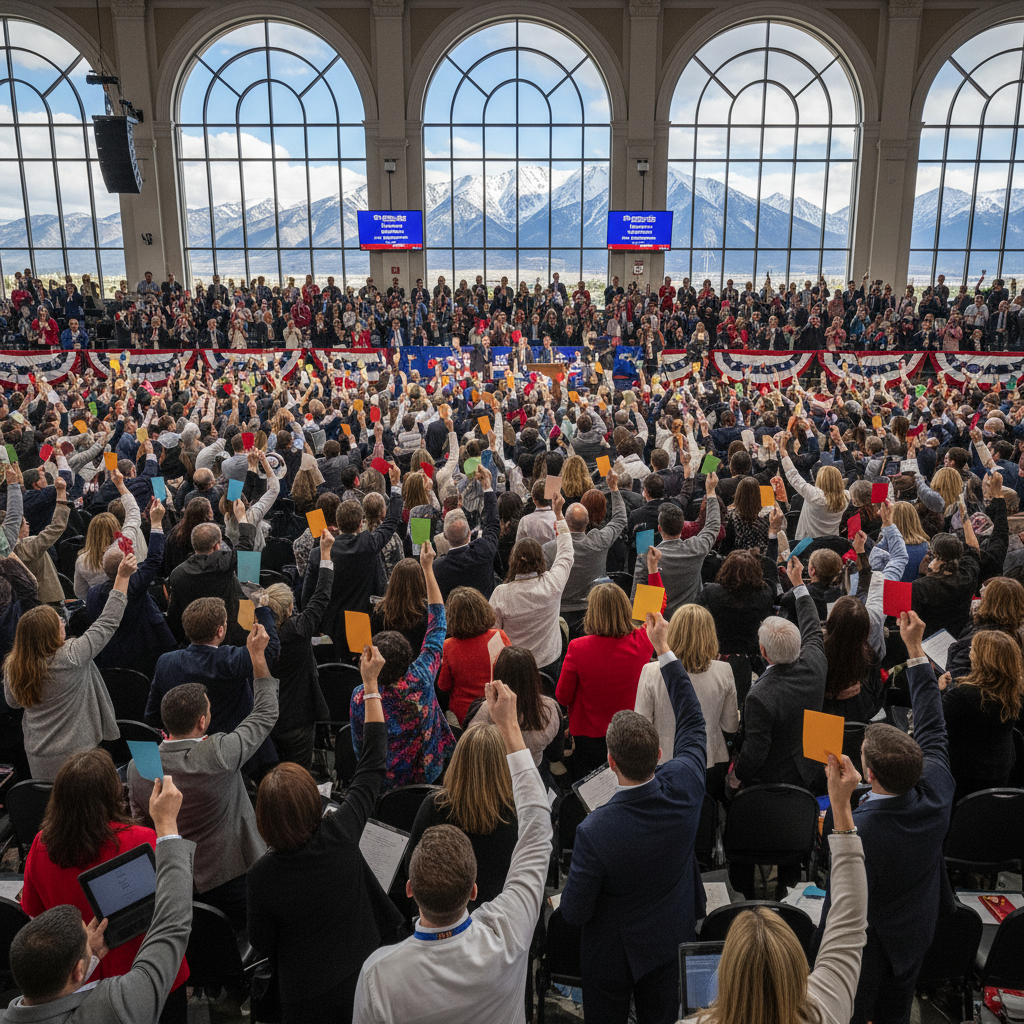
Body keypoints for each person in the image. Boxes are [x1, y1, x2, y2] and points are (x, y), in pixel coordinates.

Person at [352, 678, 551, 1024]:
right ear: (473, 891)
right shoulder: (510, 933)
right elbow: (538, 826)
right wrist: (511, 726)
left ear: (411, 887)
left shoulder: (377, 977)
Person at [559, 611, 707, 1024]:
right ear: (660, 755)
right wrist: (664, 650)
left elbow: (573, 912)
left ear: (610, 762)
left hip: (613, 954)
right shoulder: (686, 783)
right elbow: (693, 720)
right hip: (670, 934)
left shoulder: (594, 831)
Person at [811, 610, 956, 1024]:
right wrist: (913, 651)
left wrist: (840, 807)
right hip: (915, 933)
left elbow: (840, 883)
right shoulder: (938, 789)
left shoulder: (860, 830)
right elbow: (932, 723)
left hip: (866, 951)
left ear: (868, 775)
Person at [246, 645, 403, 1024]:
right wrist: (369, 685)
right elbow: (373, 763)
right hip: (362, 968)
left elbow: (264, 944)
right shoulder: (340, 830)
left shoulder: (262, 875)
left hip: (305, 991)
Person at [684, 754, 867, 1024]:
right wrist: (841, 804)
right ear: (798, 968)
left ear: (725, 976)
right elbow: (850, 920)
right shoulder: (827, 1008)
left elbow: (849, 921)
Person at [3, 775, 192, 1024]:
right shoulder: (114, 1005)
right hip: (145, 969)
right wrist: (167, 825)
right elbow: (171, 921)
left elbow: (35, 911)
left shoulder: (41, 843)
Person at [129, 623, 278, 928]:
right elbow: (264, 713)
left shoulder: (137, 765)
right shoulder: (218, 754)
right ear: (201, 722)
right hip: (230, 873)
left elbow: (140, 821)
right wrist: (258, 657)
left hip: (170, 878)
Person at [3, 552, 136, 781]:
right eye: (60, 623)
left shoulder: (13, 666)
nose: (64, 624)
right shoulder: (71, 655)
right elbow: (108, 621)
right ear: (52, 633)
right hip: (80, 756)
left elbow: (12, 702)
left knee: (55, 811)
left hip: (38, 755)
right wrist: (122, 577)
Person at [350, 542, 453, 793]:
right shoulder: (422, 677)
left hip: (384, 779)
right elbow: (438, 623)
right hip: (427, 770)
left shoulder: (361, 697)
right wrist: (427, 568)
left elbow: (360, 746)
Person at [145, 596, 280, 765]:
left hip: (184, 755)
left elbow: (152, 716)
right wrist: (261, 608)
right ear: (220, 631)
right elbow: (270, 648)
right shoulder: (230, 660)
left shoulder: (165, 662)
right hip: (234, 754)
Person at [405, 723, 519, 908]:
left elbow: (411, 868)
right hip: (502, 917)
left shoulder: (434, 806)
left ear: (458, 760)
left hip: (444, 914)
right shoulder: (517, 814)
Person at [556, 582, 654, 777]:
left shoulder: (578, 647)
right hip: (629, 732)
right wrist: (652, 569)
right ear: (627, 609)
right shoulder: (643, 640)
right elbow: (655, 610)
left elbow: (563, 697)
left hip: (589, 737)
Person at [634, 603, 737, 778]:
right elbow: (730, 725)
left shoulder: (651, 671)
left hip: (663, 759)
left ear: (673, 633)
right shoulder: (724, 670)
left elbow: (641, 725)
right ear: (711, 635)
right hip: (708, 758)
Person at [305, 466, 403, 651]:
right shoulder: (368, 544)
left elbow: (307, 595)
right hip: (363, 625)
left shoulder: (318, 553)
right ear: (361, 524)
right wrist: (395, 485)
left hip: (330, 627)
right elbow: (391, 521)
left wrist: (314, 627)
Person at [261, 529, 336, 769]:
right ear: (291, 606)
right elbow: (322, 594)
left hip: (268, 719)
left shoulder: (255, 637)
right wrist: (325, 553)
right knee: (299, 773)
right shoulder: (299, 630)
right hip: (299, 719)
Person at [490, 491, 573, 678]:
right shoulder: (552, 583)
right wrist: (559, 515)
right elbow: (567, 552)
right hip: (549, 662)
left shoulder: (501, 593)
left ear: (513, 561)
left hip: (515, 667)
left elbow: (494, 634)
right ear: (540, 559)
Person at [542, 472, 627, 638]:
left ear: (565, 522)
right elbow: (620, 519)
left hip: (559, 616)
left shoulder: (549, 549)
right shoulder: (599, 541)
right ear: (587, 523)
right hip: (593, 613)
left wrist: (557, 512)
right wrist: (614, 488)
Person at [941, 630, 1023, 802]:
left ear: (982, 659)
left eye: (973, 649)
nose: (970, 652)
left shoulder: (962, 696)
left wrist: (936, 690)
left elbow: (933, 724)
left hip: (959, 778)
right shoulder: (1015, 693)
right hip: (1000, 773)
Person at [630, 473, 721, 617]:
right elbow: (713, 525)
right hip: (689, 621)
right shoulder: (696, 548)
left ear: (660, 529)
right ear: (682, 528)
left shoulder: (649, 558)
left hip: (661, 626)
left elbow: (639, 606)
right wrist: (711, 492)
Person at [165, 513, 257, 648]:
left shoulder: (177, 574)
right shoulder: (224, 564)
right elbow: (246, 544)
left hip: (196, 636)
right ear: (217, 546)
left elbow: (175, 613)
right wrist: (242, 516)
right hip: (228, 634)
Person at [469, 645, 563, 770]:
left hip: (493, 773)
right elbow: (555, 755)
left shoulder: (479, 711)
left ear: (497, 675)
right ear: (535, 675)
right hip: (534, 769)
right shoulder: (551, 709)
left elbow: (472, 754)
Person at [436, 586, 510, 725]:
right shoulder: (499, 636)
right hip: (499, 707)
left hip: (466, 714)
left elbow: (443, 685)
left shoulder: (449, 646)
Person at [433, 465, 500, 599]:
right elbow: (493, 524)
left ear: (445, 536)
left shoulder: (438, 568)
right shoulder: (483, 550)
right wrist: (487, 487)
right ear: (469, 532)